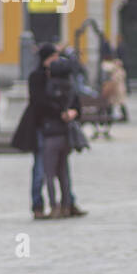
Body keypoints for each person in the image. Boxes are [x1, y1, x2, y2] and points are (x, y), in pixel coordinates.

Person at [39, 54, 81, 218]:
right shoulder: (71, 87)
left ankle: (53, 206)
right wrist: (70, 113)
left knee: (49, 173)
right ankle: (66, 205)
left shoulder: (49, 87)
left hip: (51, 132)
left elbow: (45, 107)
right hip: (66, 133)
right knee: (64, 173)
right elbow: (77, 107)